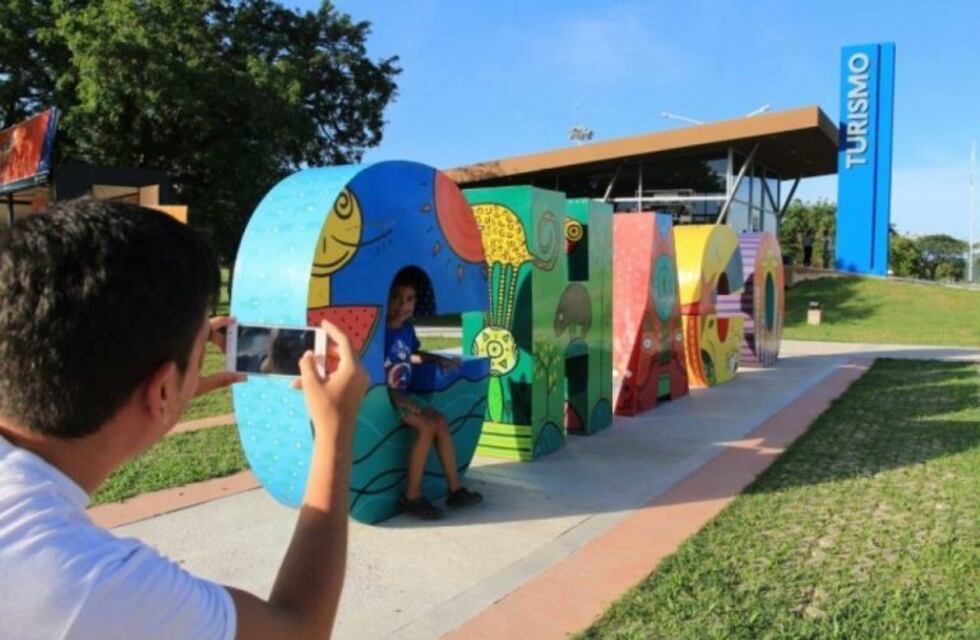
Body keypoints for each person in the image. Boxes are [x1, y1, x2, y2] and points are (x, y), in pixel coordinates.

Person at [0, 200, 370, 639]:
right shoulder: (90, 584)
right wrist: (334, 429)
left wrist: (161, 392)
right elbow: (299, 630)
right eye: (199, 350)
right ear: (159, 390)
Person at [385, 272, 483, 520]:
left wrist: (437, 358)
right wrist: (396, 398)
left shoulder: (406, 330)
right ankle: (412, 495)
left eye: (409, 299)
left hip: (404, 395)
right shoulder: (380, 333)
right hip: (386, 398)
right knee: (427, 427)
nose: (402, 306)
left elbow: (411, 355)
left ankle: (455, 489)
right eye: (395, 298)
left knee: (439, 421)